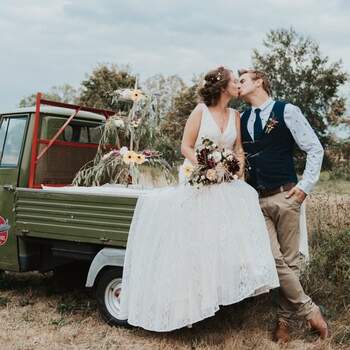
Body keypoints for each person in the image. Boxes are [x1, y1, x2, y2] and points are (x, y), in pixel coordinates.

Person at [118, 66, 279, 332]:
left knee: (231, 233)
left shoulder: (236, 114)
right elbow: (186, 146)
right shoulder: (200, 111)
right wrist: (206, 166)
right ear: (223, 86)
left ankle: (222, 295)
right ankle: (189, 303)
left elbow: (237, 148)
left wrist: (235, 169)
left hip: (226, 182)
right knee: (196, 244)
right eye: (234, 82)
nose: (238, 85)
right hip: (199, 179)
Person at [238, 69, 328, 342]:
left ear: (259, 82)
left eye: (243, 80)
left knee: (290, 262)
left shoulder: (287, 110)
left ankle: (284, 323)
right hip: (255, 198)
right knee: (273, 259)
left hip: (286, 195)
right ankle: (311, 311)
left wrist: (304, 187)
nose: (238, 84)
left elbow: (314, 148)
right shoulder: (241, 118)